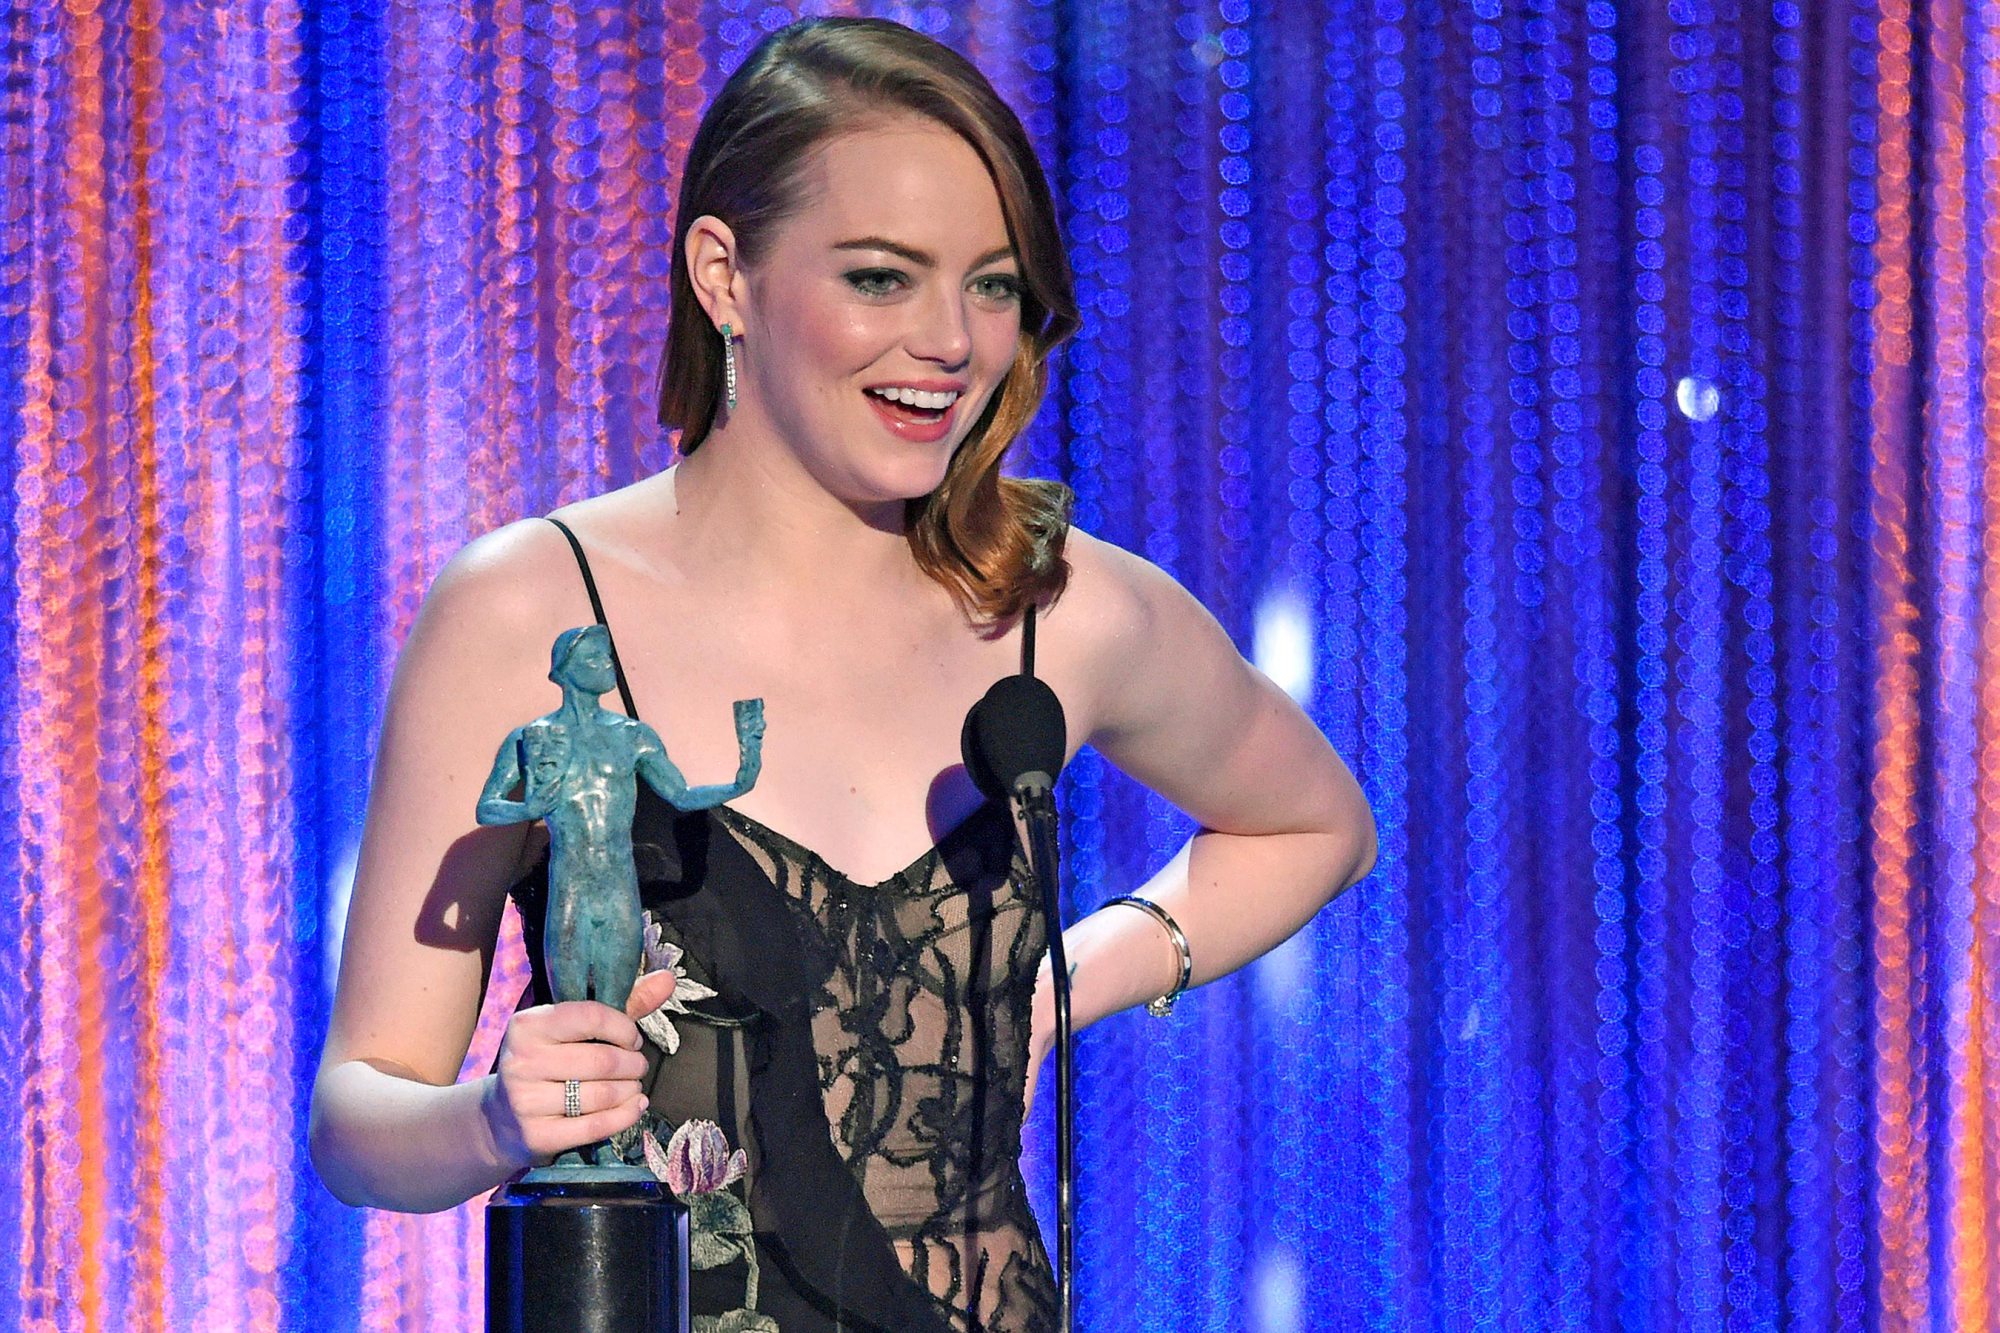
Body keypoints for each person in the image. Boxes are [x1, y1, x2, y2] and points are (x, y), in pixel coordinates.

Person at [309, 16, 1376, 1332]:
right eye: (882, 277)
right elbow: (358, 1115)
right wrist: (488, 1116)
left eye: (991, 284)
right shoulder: (529, 612)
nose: (951, 340)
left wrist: (1057, 986)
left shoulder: (1057, 606)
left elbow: (1313, 820)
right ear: (725, 275)